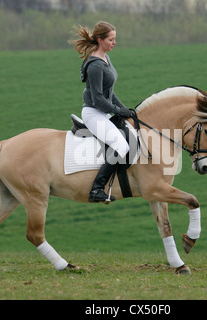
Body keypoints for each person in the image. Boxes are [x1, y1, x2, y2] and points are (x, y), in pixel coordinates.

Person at [71, 21, 135, 203]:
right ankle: (96, 189)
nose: (114, 42)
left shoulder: (106, 58)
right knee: (122, 146)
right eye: (111, 39)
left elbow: (110, 92)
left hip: (103, 112)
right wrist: (117, 111)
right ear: (100, 40)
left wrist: (124, 109)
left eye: (115, 39)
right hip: (93, 113)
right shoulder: (96, 65)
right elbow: (98, 99)